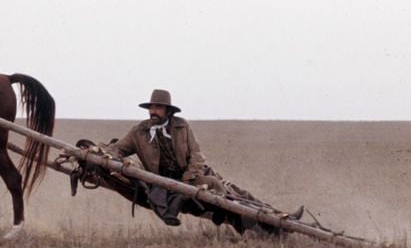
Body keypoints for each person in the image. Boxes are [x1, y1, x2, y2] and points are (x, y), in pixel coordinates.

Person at [103, 89, 299, 229]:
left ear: (168, 110)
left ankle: (279, 217)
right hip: (163, 182)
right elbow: (118, 149)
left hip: (193, 176)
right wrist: (107, 156)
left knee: (236, 193)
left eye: (159, 107)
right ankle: (251, 223)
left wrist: (187, 181)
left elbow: (196, 155)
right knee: (217, 191)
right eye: (151, 107)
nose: (153, 111)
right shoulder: (139, 131)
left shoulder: (182, 126)